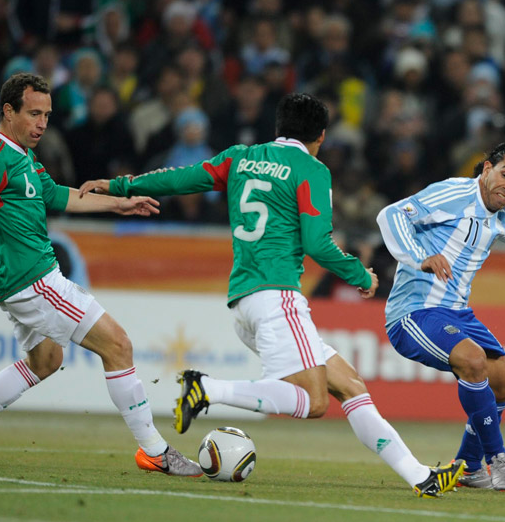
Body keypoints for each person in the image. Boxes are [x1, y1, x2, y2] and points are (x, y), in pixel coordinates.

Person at [79, 92, 464, 497]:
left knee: (350, 385)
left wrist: (121, 185)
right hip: (278, 297)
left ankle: (420, 476)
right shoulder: (311, 169)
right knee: (314, 402)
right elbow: (317, 243)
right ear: (321, 135)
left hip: (245, 301)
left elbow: (180, 178)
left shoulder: (239, 158)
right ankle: (208, 389)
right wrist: (360, 275)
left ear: (278, 127)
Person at [0, 73, 201, 477]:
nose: (42, 123)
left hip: (16, 281)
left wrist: (118, 204)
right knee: (119, 345)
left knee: (46, 360)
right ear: (8, 111)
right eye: (34, 114)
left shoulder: (23, 155)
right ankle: (155, 451)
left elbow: (58, 195)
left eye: (47, 115)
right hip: (35, 280)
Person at [376, 140, 505, 492]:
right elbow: (391, 215)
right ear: (487, 169)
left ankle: (469, 467)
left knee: (504, 381)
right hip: (415, 312)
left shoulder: (500, 220)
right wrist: (419, 256)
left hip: (458, 314)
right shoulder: (453, 193)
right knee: (473, 360)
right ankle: (497, 459)